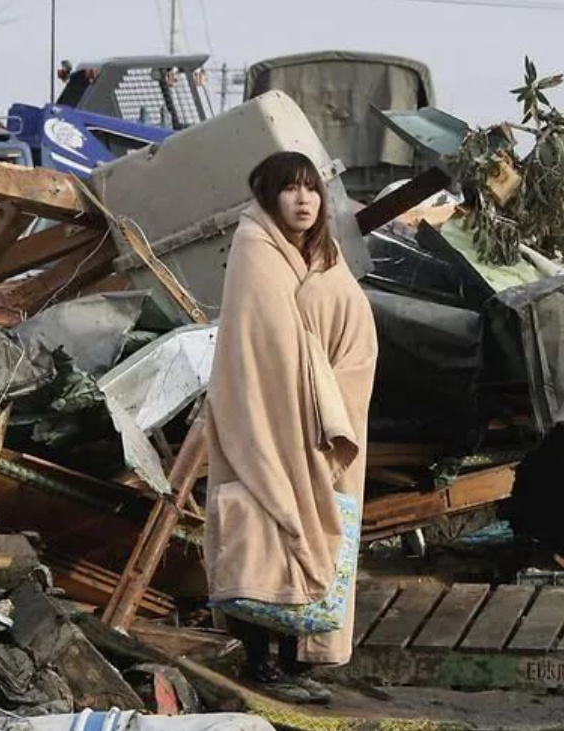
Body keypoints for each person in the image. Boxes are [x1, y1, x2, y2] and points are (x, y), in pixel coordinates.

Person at [203, 152, 378, 704]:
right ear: (268, 196)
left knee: (310, 537)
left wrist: (333, 397)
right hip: (267, 417)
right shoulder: (257, 251)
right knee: (266, 531)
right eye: (290, 190)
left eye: (312, 190)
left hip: (326, 420)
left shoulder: (323, 255)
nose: (304, 200)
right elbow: (270, 349)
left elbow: (347, 330)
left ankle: (292, 660)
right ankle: (261, 662)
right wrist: (311, 395)